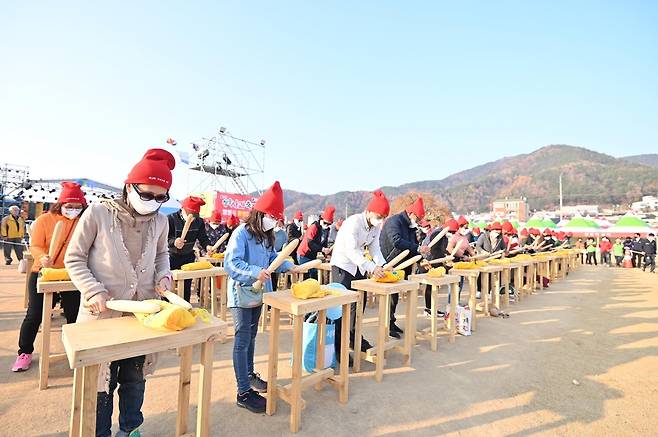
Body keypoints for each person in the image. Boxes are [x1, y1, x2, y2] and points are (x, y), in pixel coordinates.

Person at [65, 149, 176, 437]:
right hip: (101, 313)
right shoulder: (99, 214)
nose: (153, 202)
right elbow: (74, 258)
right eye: (147, 194)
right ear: (130, 187)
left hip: (142, 315)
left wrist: (164, 275)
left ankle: (130, 429)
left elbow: (162, 254)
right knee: (101, 381)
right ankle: (99, 431)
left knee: (134, 377)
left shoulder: (161, 221)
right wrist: (93, 290)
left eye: (160, 197)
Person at [223, 181, 301, 413]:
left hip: (259, 295)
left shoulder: (266, 236)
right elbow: (231, 263)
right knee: (242, 340)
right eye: (271, 217)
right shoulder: (241, 233)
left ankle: (249, 375)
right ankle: (243, 391)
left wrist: (289, 266)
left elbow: (272, 259)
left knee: (252, 337)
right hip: (241, 293)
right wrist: (254, 272)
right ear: (259, 214)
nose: (273, 222)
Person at [11, 182, 86, 372]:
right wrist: (42, 257)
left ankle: (75, 351)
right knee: (34, 314)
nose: (73, 210)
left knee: (74, 314)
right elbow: (35, 245)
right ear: (60, 204)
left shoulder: (83, 221)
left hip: (71, 274)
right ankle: (24, 352)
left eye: (78, 207)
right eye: (69, 206)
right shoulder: (45, 220)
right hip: (43, 272)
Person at [331, 190, 389, 361]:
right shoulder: (353, 223)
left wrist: (382, 265)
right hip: (343, 267)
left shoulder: (375, 226)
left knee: (358, 307)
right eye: (379, 216)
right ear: (369, 212)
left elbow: (374, 248)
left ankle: (354, 338)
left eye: (383, 217)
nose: (380, 220)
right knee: (342, 310)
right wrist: (371, 266)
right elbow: (351, 251)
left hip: (360, 268)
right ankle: (339, 347)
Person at [380, 197, 428, 338]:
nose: (419, 223)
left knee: (395, 296)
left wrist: (421, 259)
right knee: (390, 295)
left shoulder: (411, 226)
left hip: (404, 264)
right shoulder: (394, 221)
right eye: (418, 219)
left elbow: (414, 246)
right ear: (412, 214)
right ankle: (386, 324)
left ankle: (391, 321)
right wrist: (418, 249)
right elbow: (397, 241)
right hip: (391, 261)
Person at [168, 196, 213, 302]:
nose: (192, 217)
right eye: (190, 214)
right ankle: (167, 308)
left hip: (188, 256)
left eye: (195, 215)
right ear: (183, 209)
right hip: (171, 256)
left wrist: (207, 246)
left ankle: (185, 307)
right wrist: (174, 242)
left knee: (186, 285)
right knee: (167, 285)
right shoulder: (171, 219)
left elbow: (203, 238)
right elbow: (164, 238)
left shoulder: (199, 221)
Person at [297, 205, 335, 279]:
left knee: (314, 275)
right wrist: (322, 249)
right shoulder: (314, 227)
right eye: (325, 223)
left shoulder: (326, 230)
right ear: (321, 219)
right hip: (304, 254)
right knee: (306, 276)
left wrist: (326, 254)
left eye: (329, 224)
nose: (326, 225)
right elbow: (310, 243)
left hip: (312, 255)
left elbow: (324, 243)